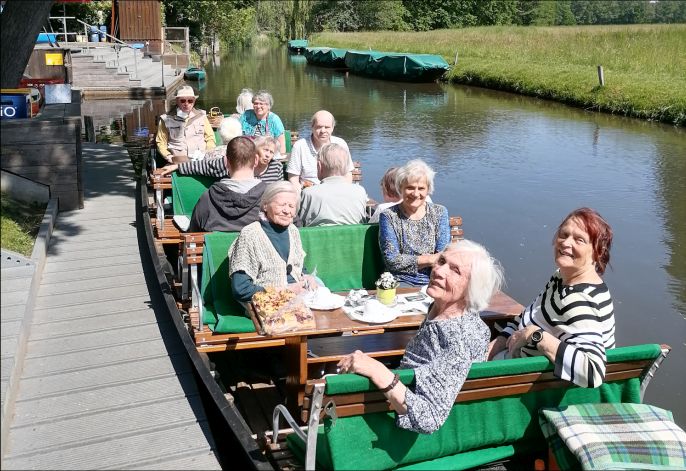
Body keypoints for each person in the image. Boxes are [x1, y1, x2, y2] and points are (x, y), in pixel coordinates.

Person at [337, 241, 504, 434]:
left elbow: (430, 418)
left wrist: (378, 371)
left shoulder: (457, 338)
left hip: (394, 427)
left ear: (471, 290)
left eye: (455, 271)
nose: (439, 271)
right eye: (441, 261)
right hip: (403, 396)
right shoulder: (451, 314)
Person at [487, 207, 615, 389]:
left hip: (523, 386)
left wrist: (536, 335)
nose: (566, 243)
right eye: (564, 235)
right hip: (514, 364)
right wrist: (498, 343)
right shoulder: (562, 278)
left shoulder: (579, 301)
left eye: (579, 240)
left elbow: (592, 371)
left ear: (597, 252)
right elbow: (529, 315)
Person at [229, 181, 317, 303]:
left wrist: (307, 276)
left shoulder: (292, 230)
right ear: (265, 206)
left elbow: (297, 264)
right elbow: (241, 289)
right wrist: (285, 291)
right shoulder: (250, 234)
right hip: (267, 303)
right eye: (281, 205)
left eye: (291, 206)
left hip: (299, 296)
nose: (287, 211)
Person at [379, 160, 450, 287]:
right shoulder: (389, 216)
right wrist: (429, 259)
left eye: (421, 188)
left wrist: (414, 260)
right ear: (401, 188)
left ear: (428, 190)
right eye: (410, 187)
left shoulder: (439, 213)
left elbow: (442, 256)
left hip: (435, 279)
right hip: (400, 281)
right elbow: (392, 260)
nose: (416, 194)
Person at [188, 136, 266, 233]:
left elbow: (193, 234)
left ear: (226, 162)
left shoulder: (207, 198)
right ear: (256, 160)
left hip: (217, 248)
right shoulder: (269, 199)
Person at [160, 132, 283, 184]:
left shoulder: (276, 166)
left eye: (271, 152)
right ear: (255, 150)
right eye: (265, 150)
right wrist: (178, 166)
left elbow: (280, 190)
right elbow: (206, 166)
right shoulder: (239, 160)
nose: (268, 155)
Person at [298, 143, 368, 227]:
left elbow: (302, 224)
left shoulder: (308, 194)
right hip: (355, 239)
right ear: (347, 168)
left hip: (318, 239)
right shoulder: (359, 191)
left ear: (319, 166)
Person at [287, 110, 354, 187]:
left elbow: (348, 173)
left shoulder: (341, 144)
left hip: (337, 190)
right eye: (319, 127)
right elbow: (293, 178)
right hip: (309, 192)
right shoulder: (300, 146)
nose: (323, 131)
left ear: (332, 128)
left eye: (327, 127)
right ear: (312, 127)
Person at [155, 85, 215, 162]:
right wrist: (168, 156)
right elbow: (161, 142)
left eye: (190, 101)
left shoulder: (202, 116)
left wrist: (208, 152)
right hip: (177, 161)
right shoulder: (166, 119)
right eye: (183, 101)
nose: (186, 104)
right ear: (177, 101)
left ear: (194, 101)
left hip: (201, 160)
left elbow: (210, 137)